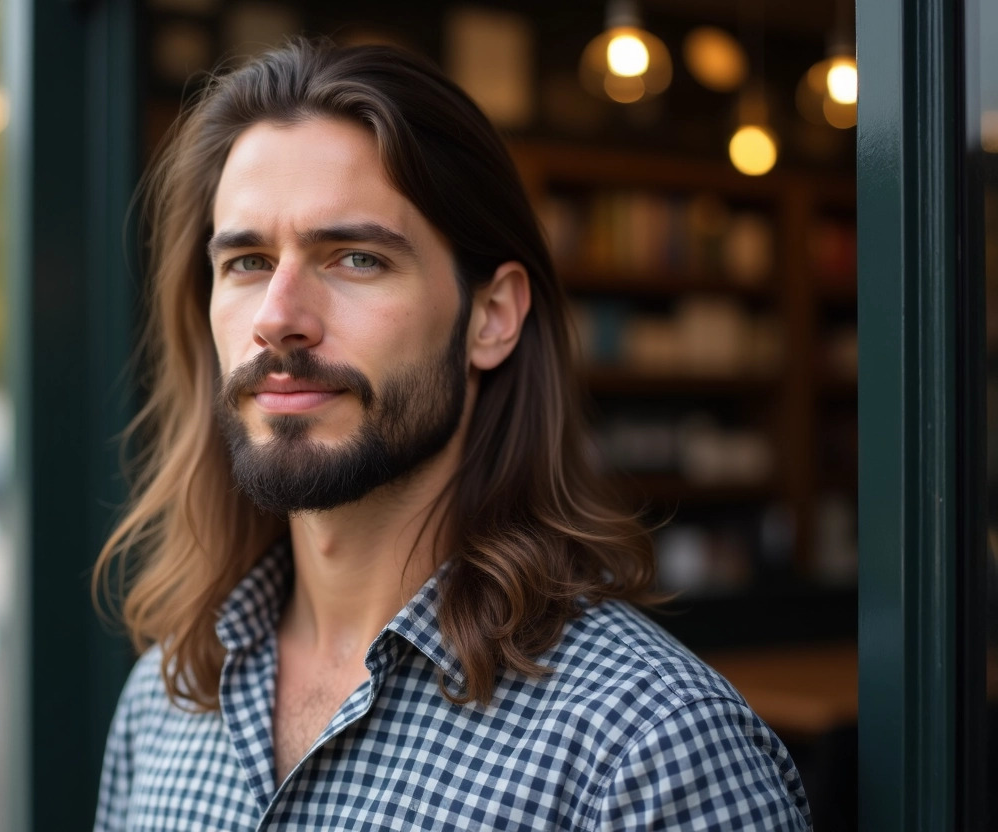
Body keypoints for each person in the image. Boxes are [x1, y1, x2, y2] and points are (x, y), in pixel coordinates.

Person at [92, 39, 812, 831]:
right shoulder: (165, 697)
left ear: (492, 318)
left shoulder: (648, 748)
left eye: (356, 258)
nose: (278, 319)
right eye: (248, 263)